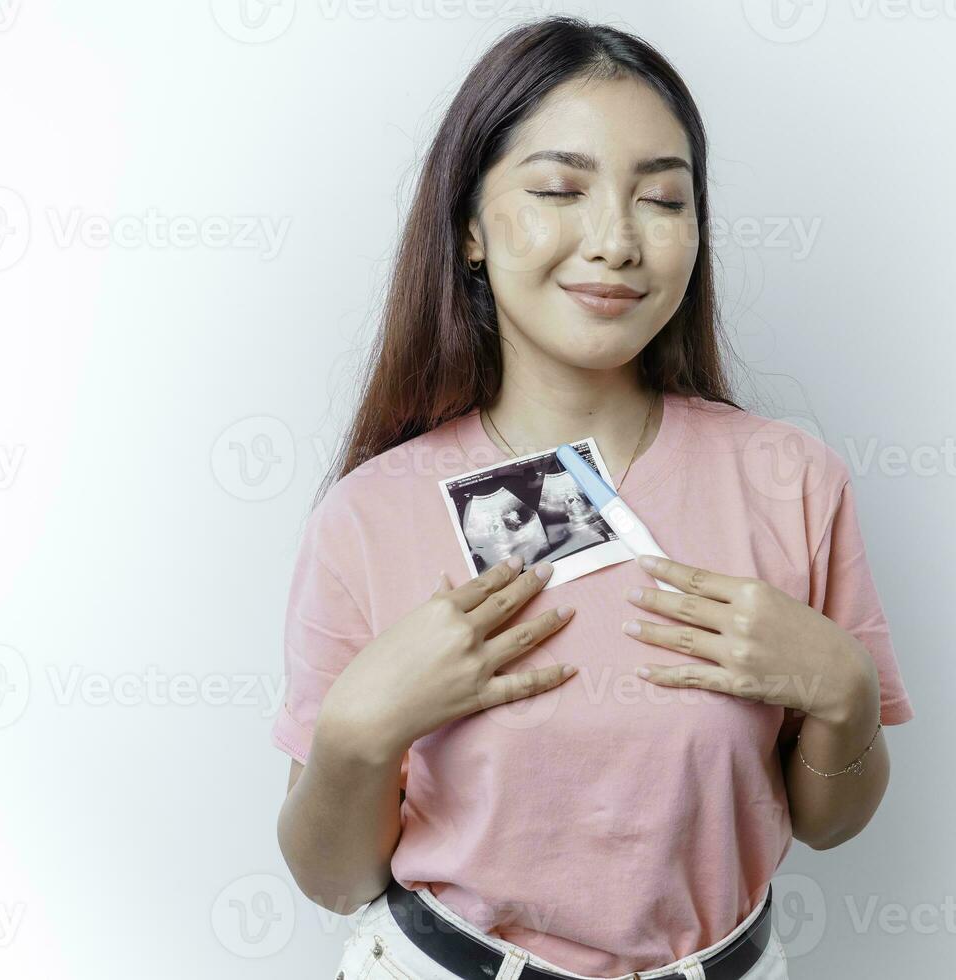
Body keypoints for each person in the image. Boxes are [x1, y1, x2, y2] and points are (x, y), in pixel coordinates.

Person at [273, 15, 915, 980]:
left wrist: (844, 689)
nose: (616, 241)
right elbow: (333, 878)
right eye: (558, 190)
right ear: (472, 231)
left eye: (661, 198)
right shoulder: (370, 516)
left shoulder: (793, 481)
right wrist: (360, 729)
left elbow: (832, 823)